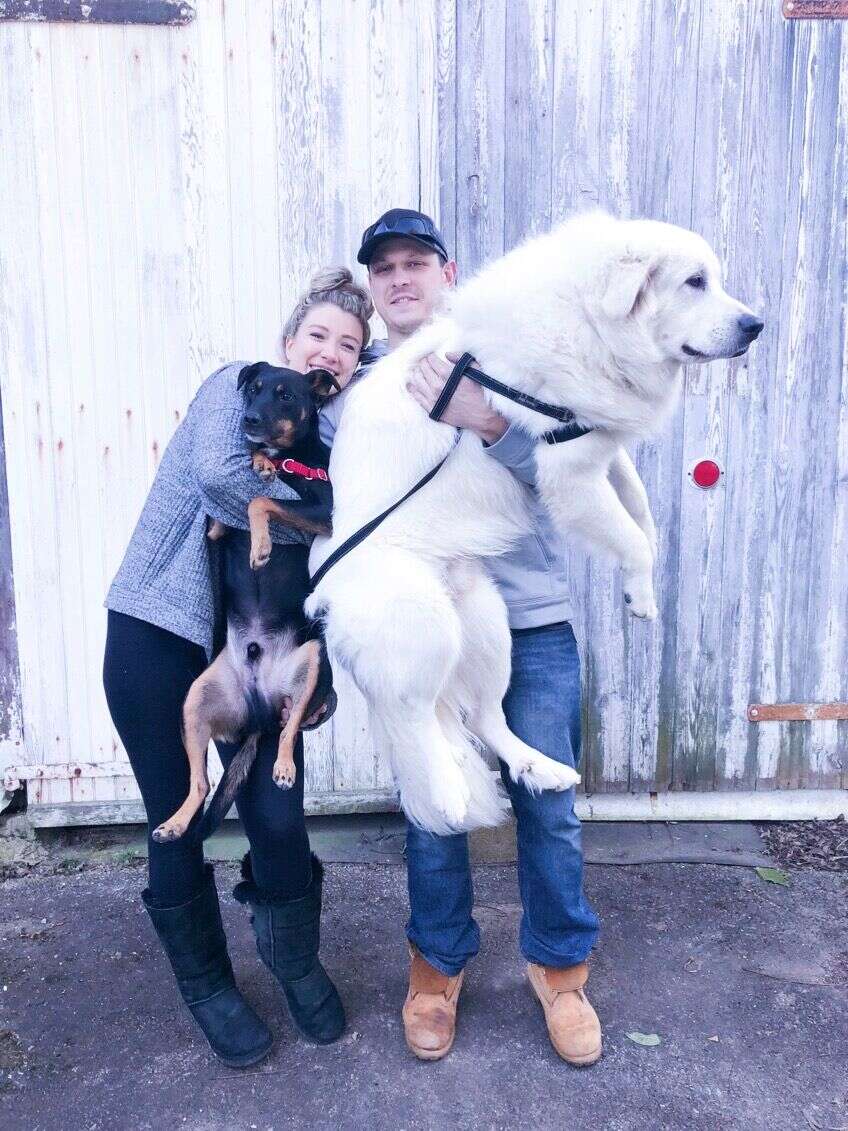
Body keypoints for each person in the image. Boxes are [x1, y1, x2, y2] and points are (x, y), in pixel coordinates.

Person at [320, 209, 602, 1066]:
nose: (400, 278)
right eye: (384, 269)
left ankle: (562, 974)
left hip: (528, 615)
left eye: (416, 262)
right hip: (419, 621)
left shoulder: (506, 352)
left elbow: (576, 464)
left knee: (546, 807)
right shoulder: (349, 397)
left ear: (449, 272)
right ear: (373, 289)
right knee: (432, 806)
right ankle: (436, 971)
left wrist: (487, 420)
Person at [102, 267, 372, 1068]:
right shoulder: (237, 386)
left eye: (349, 346)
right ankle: (210, 987)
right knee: (173, 815)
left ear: (349, 371)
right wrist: (320, 523)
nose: (330, 350)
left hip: (253, 649)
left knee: (279, 815)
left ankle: (292, 958)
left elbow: (341, 553)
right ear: (290, 344)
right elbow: (225, 480)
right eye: (317, 334)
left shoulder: (328, 441)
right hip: (157, 629)